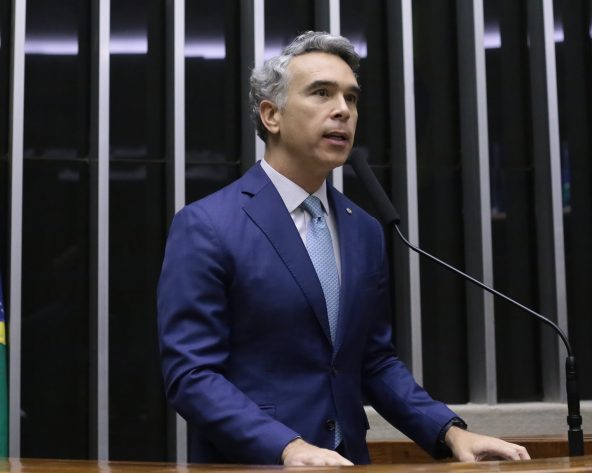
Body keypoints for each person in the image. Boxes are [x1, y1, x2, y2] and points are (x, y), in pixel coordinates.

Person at [157, 31, 530, 466]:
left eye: (351, 98)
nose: (343, 111)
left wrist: (449, 432)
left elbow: (374, 361)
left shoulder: (364, 229)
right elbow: (192, 375)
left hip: (349, 462)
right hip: (255, 464)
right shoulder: (207, 225)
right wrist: (288, 447)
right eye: (322, 93)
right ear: (271, 115)